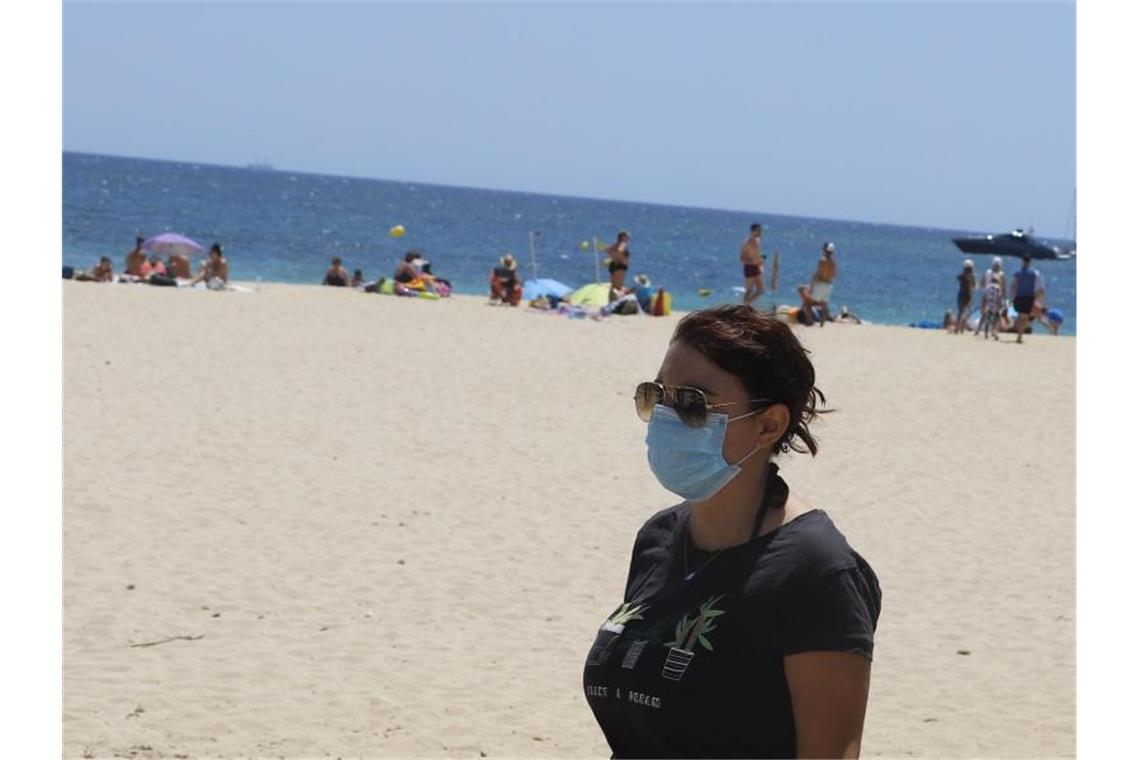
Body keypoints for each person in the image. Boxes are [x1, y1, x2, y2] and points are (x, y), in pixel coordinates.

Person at [584, 305, 880, 758]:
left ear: (768, 425)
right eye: (656, 395)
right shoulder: (658, 538)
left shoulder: (817, 572)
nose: (666, 415)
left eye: (692, 402)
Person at [1011, 253, 1046, 344]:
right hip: (1029, 297)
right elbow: (1039, 288)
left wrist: (1012, 297)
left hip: (1019, 296)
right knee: (1025, 317)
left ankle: (1018, 334)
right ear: (1030, 261)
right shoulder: (1034, 273)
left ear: (1022, 261)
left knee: (1020, 316)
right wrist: (1038, 298)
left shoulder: (1017, 272)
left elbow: (1014, 285)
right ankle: (1020, 336)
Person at [808, 242, 838, 326]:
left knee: (808, 304)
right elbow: (834, 275)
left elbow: (817, 274)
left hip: (821, 283)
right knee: (824, 305)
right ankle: (822, 324)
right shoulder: (834, 263)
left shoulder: (822, 260)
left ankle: (810, 322)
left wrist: (812, 285)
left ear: (825, 250)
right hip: (829, 285)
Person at [974, 257, 1006, 336]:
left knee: (984, 314)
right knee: (996, 314)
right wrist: (1003, 298)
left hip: (987, 294)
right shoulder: (1001, 274)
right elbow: (1003, 287)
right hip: (997, 296)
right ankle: (993, 330)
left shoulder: (987, 272)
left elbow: (982, 283)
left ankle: (978, 329)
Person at [740, 223, 765, 306]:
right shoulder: (747, 243)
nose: (760, 233)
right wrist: (753, 262)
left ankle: (747, 304)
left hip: (756, 267)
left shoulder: (757, 241)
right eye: (758, 231)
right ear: (753, 231)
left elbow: (756, 255)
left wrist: (760, 260)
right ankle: (745, 306)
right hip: (749, 267)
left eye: (761, 231)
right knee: (749, 290)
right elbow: (742, 259)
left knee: (760, 290)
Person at [606, 231, 631, 299]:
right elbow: (619, 251)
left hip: (614, 266)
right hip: (620, 267)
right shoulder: (623, 243)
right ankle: (617, 302)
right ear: (623, 237)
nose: (628, 238)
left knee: (613, 287)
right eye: (627, 237)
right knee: (618, 288)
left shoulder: (616, 244)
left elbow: (607, 249)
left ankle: (611, 303)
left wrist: (613, 256)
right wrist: (619, 258)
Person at [955, 260, 977, 334]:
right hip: (968, 295)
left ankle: (957, 328)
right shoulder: (971, 276)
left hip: (961, 294)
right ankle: (962, 329)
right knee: (966, 312)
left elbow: (958, 277)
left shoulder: (961, 276)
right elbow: (974, 285)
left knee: (960, 312)